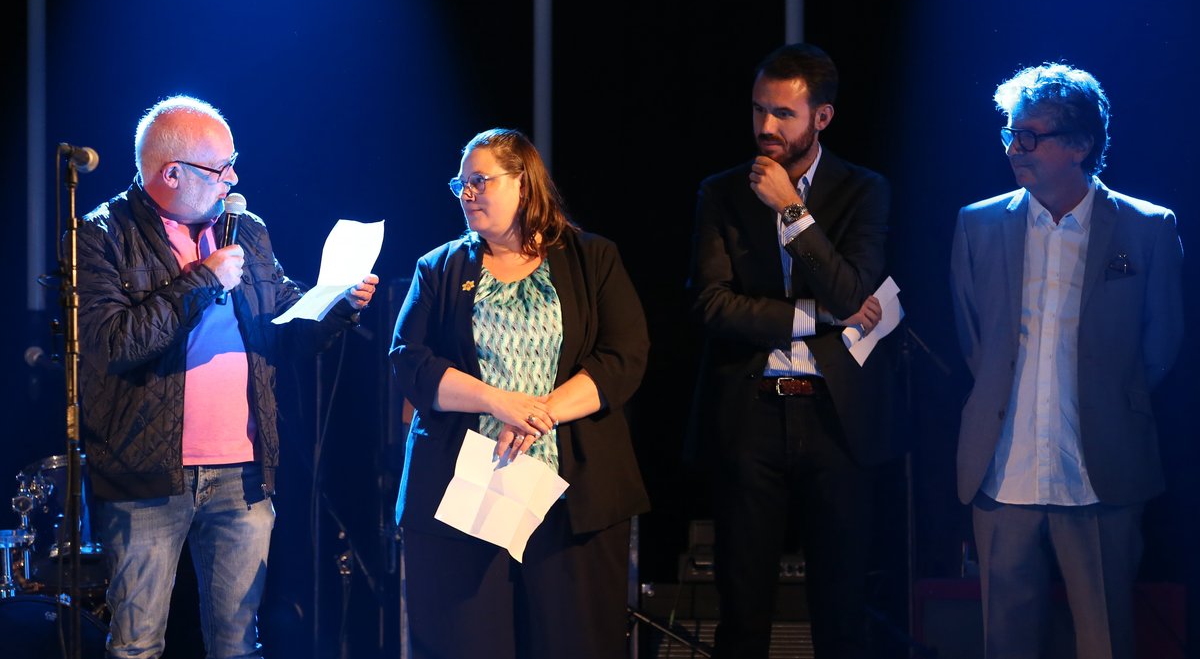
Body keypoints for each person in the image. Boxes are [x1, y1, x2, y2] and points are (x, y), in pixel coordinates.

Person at [76, 95, 378, 659]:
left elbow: (284, 327)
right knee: (137, 645)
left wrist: (337, 304)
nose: (232, 179)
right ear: (171, 173)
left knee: (238, 644)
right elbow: (113, 345)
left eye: (232, 164)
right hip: (145, 477)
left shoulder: (246, 229)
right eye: (220, 168)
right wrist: (201, 281)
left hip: (241, 472)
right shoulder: (102, 235)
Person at [950, 63, 1183, 658]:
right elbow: (976, 341)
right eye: (1009, 134)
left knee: (1106, 639)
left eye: (1031, 136)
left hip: (1100, 470)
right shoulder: (977, 225)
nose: (1014, 149)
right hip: (1003, 472)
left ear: (1080, 144)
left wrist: (1109, 400)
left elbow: (1160, 347)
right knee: (1005, 643)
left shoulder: (1147, 228)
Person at [391, 128, 649, 659]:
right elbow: (408, 360)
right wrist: (497, 401)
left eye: (480, 181)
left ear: (525, 182)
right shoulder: (440, 269)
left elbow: (625, 356)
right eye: (460, 185)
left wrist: (542, 412)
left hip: (570, 500)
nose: (467, 194)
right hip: (467, 502)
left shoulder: (592, 258)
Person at [688, 43, 897, 659]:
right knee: (743, 608)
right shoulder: (721, 193)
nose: (766, 128)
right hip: (752, 411)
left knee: (841, 608)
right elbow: (710, 306)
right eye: (758, 111)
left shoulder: (864, 190)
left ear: (821, 118)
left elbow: (855, 289)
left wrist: (792, 210)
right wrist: (816, 317)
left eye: (783, 114)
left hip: (835, 419)